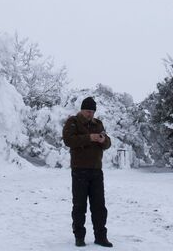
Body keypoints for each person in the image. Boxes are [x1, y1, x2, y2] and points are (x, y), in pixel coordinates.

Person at [62, 96, 113, 247]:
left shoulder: (98, 124)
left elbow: (108, 143)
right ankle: (79, 236)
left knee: (99, 206)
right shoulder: (73, 122)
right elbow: (68, 140)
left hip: (96, 171)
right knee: (79, 206)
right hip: (79, 170)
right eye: (87, 111)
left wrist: (104, 140)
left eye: (92, 111)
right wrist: (89, 137)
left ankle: (100, 236)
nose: (90, 114)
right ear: (82, 110)